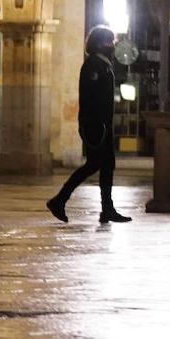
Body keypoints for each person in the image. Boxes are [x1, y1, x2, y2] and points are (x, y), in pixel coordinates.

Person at [46, 25, 131, 224]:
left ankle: (106, 209)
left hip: (103, 125)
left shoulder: (103, 64)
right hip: (97, 125)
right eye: (109, 41)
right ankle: (59, 200)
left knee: (106, 165)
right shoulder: (94, 65)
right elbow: (90, 98)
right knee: (94, 165)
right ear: (100, 43)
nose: (112, 45)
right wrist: (92, 124)